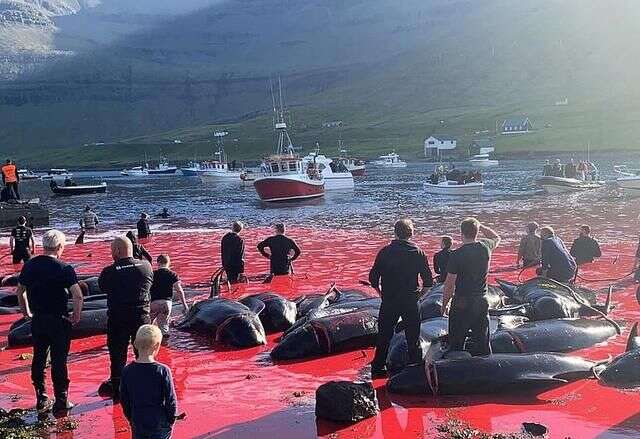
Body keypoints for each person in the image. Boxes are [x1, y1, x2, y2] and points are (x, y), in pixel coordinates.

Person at [15, 229, 83, 414]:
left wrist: (26, 312)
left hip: (38, 319)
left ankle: (41, 397)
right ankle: (62, 399)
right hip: (59, 319)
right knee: (59, 361)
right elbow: (77, 295)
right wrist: (76, 316)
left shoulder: (29, 265)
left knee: (39, 357)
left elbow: (20, 291)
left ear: (44, 246)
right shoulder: (64, 268)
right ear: (60, 247)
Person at [368, 219, 433, 377]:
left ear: (395, 233)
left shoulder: (385, 251)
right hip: (410, 300)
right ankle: (415, 370)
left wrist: (380, 293)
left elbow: (373, 278)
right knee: (413, 337)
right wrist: (419, 296)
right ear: (411, 233)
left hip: (389, 300)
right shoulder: (418, 252)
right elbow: (428, 282)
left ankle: (378, 368)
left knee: (384, 335)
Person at [98, 236, 153, 399]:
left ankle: (118, 389)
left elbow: (103, 287)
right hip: (142, 316)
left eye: (111, 251)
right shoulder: (146, 266)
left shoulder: (109, 271)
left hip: (118, 318)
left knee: (117, 356)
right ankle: (145, 387)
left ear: (116, 251)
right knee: (144, 353)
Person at [443, 218, 501, 356]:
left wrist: (444, 304)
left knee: (456, 344)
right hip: (481, 300)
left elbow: (449, 284)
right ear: (476, 232)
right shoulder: (486, 247)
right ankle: (487, 371)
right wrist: (481, 226)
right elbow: (496, 237)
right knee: (483, 344)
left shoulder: (456, 254)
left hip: (462, 301)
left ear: (461, 233)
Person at [120, 325, 178, 439]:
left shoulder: (127, 371)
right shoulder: (163, 370)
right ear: (157, 346)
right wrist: (171, 419)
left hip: (138, 421)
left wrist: (131, 418)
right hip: (159, 421)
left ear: (135, 344)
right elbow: (171, 400)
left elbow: (124, 399)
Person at [150, 254, 189, 336]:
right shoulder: (172, 274)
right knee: (164, 328)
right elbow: (179, 291)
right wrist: (185, 306)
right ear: (169, 263)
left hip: (153, 303)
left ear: (158, 263)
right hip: (166, 303)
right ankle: (165, 344)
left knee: (148, 326)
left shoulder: (152, 274)